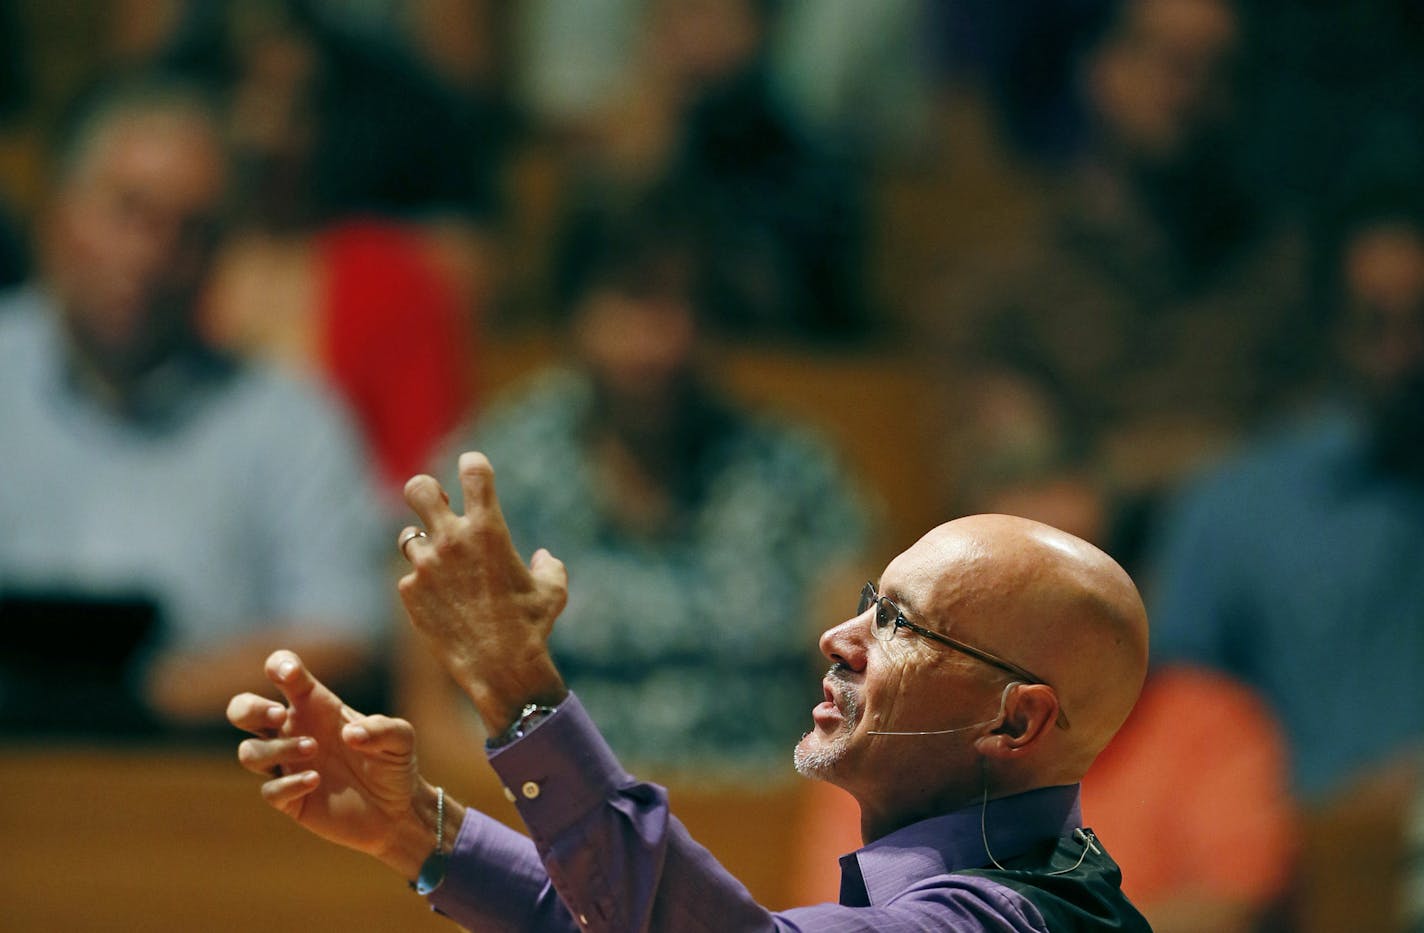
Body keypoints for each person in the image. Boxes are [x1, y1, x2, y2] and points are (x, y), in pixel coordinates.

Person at [228, 452, 1152, 930]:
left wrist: (518, 681)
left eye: (901, 626)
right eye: (871, 602)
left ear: (1015, 716)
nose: (838, 638)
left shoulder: (1009, 920)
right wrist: (416, 830)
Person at [410, 198, 869, 778]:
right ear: (576, 309)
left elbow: (861, 691)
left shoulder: (793, 473)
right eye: (636, 298)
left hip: (760, 821)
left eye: (694, 304)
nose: (669, 336)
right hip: (554, 827)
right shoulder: (492, 474)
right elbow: (435, 718)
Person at [0, 75, 387, 731]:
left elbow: (348, 634)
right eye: (129, 210)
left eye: (191, 231)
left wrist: (139, 701)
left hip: (198, 781)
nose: (151, 254)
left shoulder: (290, 422)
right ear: (58, 208)